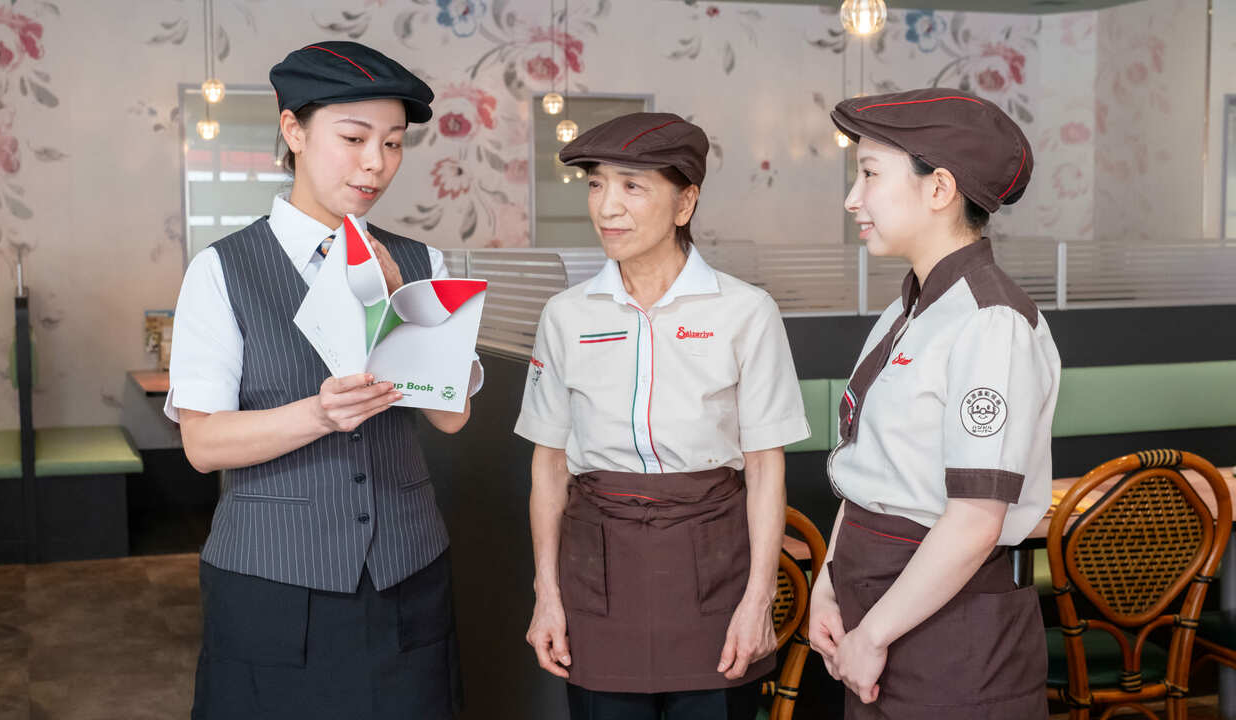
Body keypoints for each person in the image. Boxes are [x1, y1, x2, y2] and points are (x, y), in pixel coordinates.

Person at [165, 41, 480, 719]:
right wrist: (319, 413)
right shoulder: (222, 270)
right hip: (271, 582)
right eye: (354, 138)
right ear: (294, 130)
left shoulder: (420, 261)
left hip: (406, 573)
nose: (376, 163)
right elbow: (203, 444)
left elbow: (452, 416)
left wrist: (407, 315)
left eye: (392, 143)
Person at [514, 112, 810, 720]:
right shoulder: (566, 315)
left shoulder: (745, 311)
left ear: (685, 203)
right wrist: (546, 593)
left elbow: (765, 469)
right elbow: (548, 466)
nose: (607, 207)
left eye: (632, 186)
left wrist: (758, 599)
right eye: (596, 185)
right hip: (597, 569)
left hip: (713, 568)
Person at [806, 88, 1058, 719]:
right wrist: (828, 585)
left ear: (939, 188)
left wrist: (872, 635)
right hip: (875, 613)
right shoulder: (908, 312)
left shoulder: (990, 321)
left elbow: (975, 519)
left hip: (953, 638)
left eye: (869, 175)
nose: (853, 199)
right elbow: (869, 470)